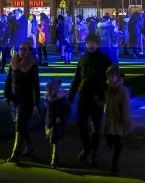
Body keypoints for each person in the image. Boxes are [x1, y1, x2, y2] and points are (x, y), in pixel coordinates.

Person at [68, 33, 112, 165]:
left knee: (96, 127)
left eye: (92, 43)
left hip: (97, 98)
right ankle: (87, 148)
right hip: (83, 96)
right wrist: (70, 97)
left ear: (97, 44)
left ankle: (93, 151)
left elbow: (110, 79)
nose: (89, 45)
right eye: (88, 43)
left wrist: (105, 96)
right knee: (81, 124)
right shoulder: (82, 59)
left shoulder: (104, 60)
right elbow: (76, 79)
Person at [4, 41, 41, 163]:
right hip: (14, 99)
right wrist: (7, 95)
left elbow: (35, 85)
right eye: (20, 49)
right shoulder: (14, 61)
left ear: (30, 51)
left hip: (26, 99)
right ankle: (30, 147)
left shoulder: (32, 64)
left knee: (19, 126)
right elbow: (8, 79)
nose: (22, 52)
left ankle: (15, 153)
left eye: (25, 50)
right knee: (22, 125)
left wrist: (36, 103)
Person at [102, 65, 133, 172]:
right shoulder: (107, 89)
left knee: (117, 144)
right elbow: (104, 102)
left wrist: (126, 122)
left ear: (117, 77)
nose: (110, 78)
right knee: (110, 141)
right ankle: (115, 159)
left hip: (118, 121)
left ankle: (114, 164)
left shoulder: (122, 90)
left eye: (112, 76)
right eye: (108, 76)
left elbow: (126, 107)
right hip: (109, 121)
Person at [44, 77, 71, 169]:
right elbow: (47, 111)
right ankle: (56, 159)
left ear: (55, 90)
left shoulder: (61, 100)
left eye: (50, 90)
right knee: (51, 140)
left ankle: (54, 160)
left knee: (54, 140)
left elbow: (67, 110)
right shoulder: (48, 99)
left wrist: (61, 117)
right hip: (49, 122)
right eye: (47, 90)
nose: (48, 92)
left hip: (57, 124)